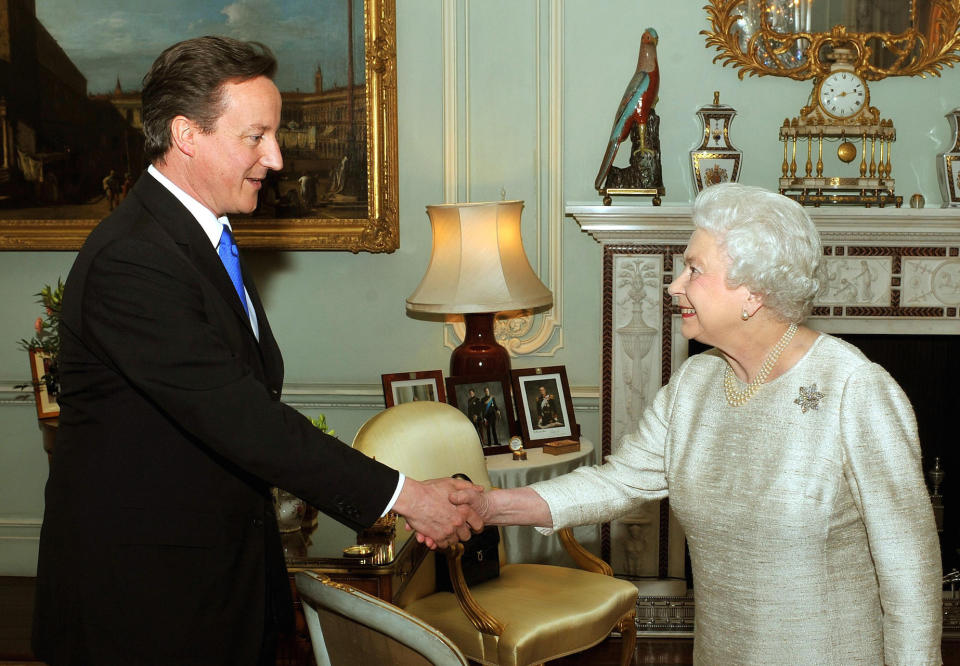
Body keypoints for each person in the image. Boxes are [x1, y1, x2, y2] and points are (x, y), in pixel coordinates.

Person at [32, 36, 481, 666]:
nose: (275, 156)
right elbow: (241, 418)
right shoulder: (132, 258)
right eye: (256, 136)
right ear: (187, 135)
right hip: (142, 609)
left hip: (215, 586)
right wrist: (408, 497)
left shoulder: (203, 239)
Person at [450, 183, 943, 664]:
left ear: (752, 290)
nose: (674, 285)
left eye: (693, 270)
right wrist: (489, 505)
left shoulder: (854, 389)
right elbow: (618, 481)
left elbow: (910, 568)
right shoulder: (695, 384)